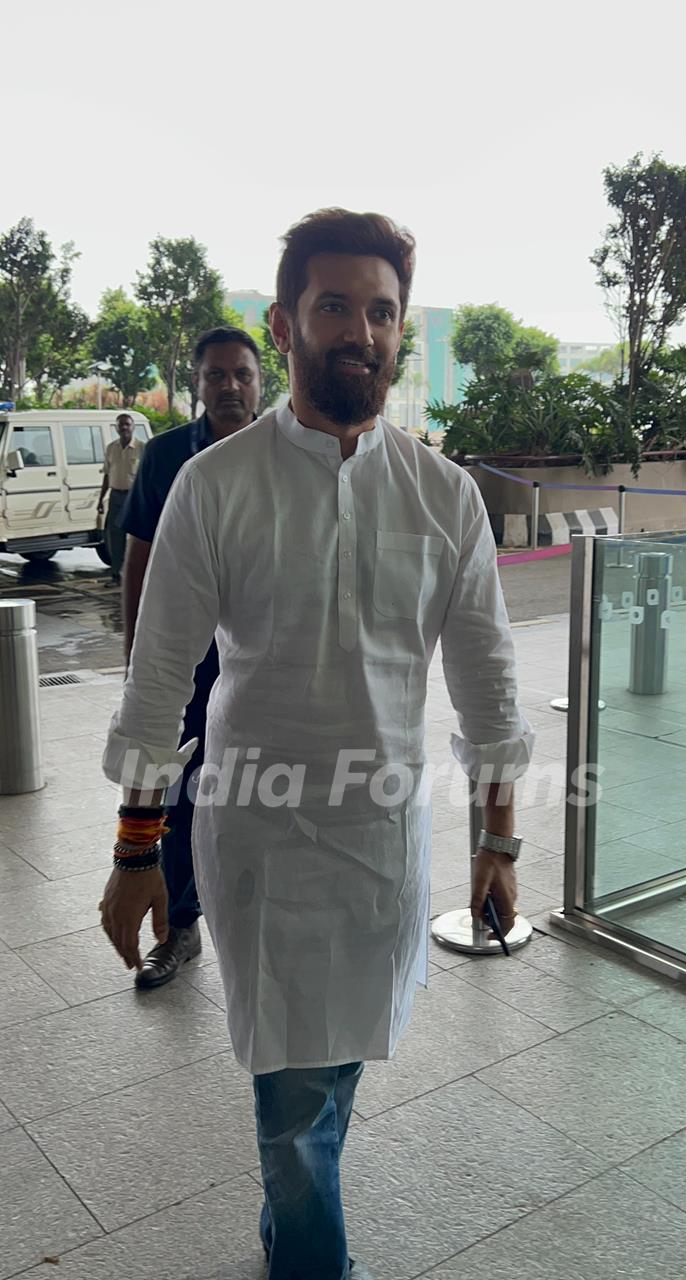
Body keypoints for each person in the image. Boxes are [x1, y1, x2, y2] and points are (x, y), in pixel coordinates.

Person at [99, 208, 534, 1280]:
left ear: (399, 335)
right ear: (286, 326)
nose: (362, 329)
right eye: (334, 305)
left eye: (381, 311)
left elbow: (488, 684)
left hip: (381, 845)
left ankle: (289, 1212)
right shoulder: (217, 485)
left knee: (330, 1079)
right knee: (291, 1102)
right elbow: (162, 682)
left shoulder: (442, 496)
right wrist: (136, 848)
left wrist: (500, 840)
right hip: (260, 838)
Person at [120, 326, 262, 988]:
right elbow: (139, 561)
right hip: (190, 661)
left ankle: (265, 918)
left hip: (266, 663)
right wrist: (136, 662)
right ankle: (181, 926)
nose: (229, 386)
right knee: (179, 787)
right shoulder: (167, 457)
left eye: (242, 374)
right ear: (197, 385)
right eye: (216, 375)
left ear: (262, 382)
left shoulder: (290, 457)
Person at [98, 413, 144, 583]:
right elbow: (107, 475)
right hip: (116, 496)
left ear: (133, 427)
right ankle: (116, 574)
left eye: (127, 424)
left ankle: (138, 575)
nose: (124, 428)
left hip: (134, 498)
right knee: (114, 537)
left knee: (138, 538)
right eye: (121, 425)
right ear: (116, 428)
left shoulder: (142, 448)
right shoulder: (111, 448)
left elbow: (147, 477)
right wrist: (101, 500)